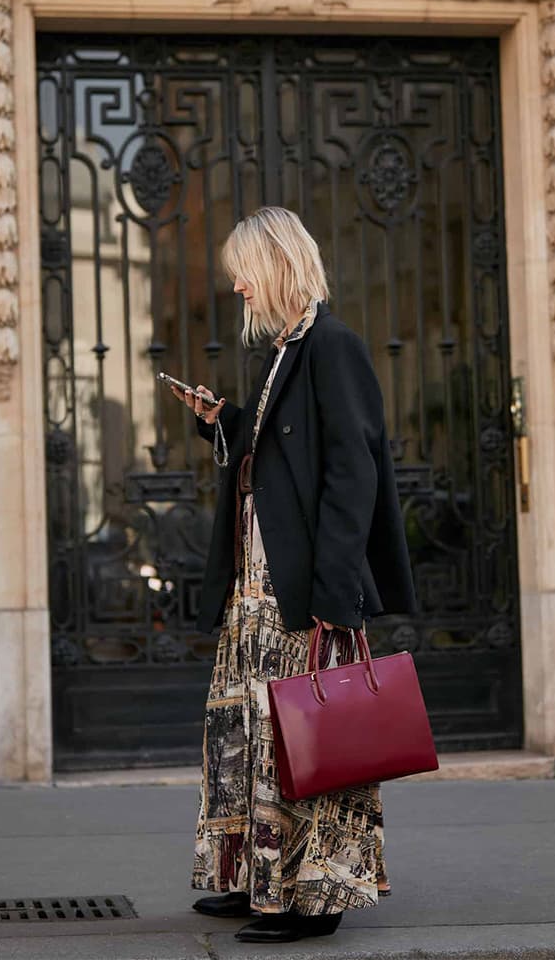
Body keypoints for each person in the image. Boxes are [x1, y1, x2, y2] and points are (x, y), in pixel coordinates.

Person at [171, 206, 417, 944]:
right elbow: (279, 455)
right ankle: (262, 881)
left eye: (244, 271)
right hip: (255, 586)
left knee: (304, 739)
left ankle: (317, 900)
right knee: (249, 736)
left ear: (277, 263)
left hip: (302, 588)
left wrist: (337, 589)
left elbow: (352, 472)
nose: (238, 287)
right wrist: (223, 423)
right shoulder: (282, 352)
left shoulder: (331, 347)